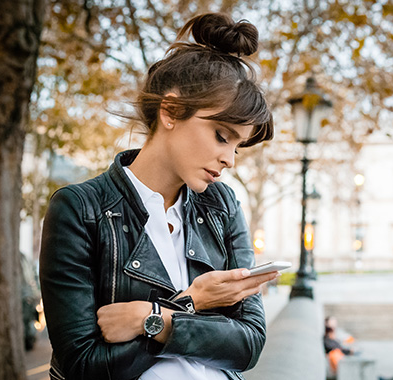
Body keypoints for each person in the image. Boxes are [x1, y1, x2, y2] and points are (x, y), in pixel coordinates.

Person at [40, 13, 278, 380]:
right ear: (170, 111)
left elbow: (249, 345)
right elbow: (84, 366)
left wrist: (154, 320)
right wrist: (194, 302)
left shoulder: (222, 206)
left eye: (238, 146)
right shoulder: (80, 209)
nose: (230, 159)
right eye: (221, 135)